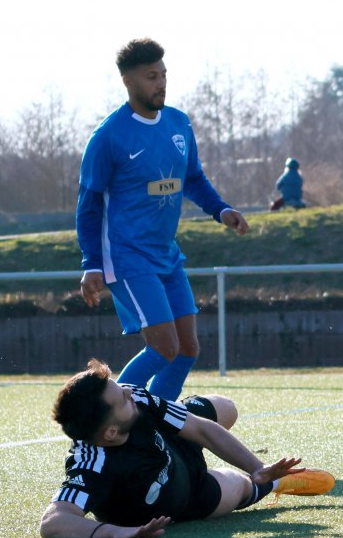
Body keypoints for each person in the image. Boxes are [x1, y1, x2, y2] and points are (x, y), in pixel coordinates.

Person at [76, 38, 249, 402]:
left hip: (166, 255)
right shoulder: (108, 137)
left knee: (187, 348)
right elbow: (89, 205)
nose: (161, 84)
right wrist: (92, 264)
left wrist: (221, 210)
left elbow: (193, 179)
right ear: (128, 81)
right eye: (151, 76)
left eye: (164, 75)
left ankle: (159, 426)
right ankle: (106, 416)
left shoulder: (178, 124)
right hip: (127, 257)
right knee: (164, 347)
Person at [39, 359, 335, 538]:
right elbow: (53, 521)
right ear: (110, 433)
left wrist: (256, 466)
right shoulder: (91, 462)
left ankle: (263, 474)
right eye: (122, 398)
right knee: (241, 487)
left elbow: (202, 429)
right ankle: (277, 483)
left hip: (175, 444)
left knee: (224, 408)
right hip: (188, 496)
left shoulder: (136, 398)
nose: (129, 391)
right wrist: (114, 532)